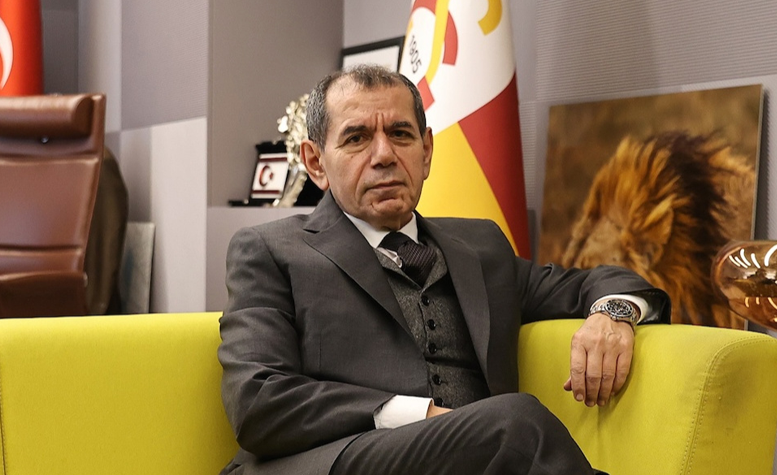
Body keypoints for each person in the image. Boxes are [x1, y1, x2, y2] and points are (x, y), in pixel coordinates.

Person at [218, 65, 670, 475]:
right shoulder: (270, 250)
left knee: (511, 430)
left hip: (483, 463)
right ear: (316, 162)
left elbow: (586, 283)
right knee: (515, 424)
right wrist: (417, 414)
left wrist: (612, 314)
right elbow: (257, 400)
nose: (383, 155)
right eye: (356, 138)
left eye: (401, 134)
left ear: (427, 151)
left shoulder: (480, 246)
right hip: (334, 460)